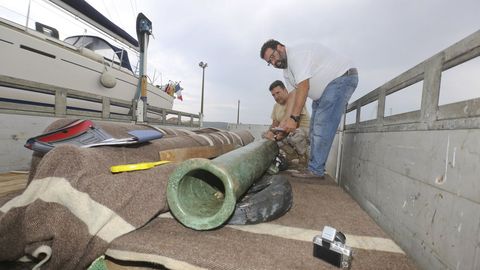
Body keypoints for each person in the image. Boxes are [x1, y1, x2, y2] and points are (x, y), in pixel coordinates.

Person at [260, 39, 358, 179]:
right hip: (324, 92)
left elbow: (304, 87)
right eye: (270, 62)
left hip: (342, 78)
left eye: (273, 57)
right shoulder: (287, 73)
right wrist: (284, 125)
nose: (274, 63)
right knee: (314, 131)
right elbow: (292, 98)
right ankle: (314, 168)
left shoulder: (296, 56)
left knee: (321, 127)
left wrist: (294, 119)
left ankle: (315, 170)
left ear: (280, 47)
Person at [263, 80, 310, 168]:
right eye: (273, 95)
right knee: (265, 135)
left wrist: (282, 134)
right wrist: (270, 133)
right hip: (286, 131)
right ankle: (292, 154)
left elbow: (296, 123)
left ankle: (303, 157)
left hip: (302, 131)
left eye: (278, 93)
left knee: (295, 135)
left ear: (285, 90)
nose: (276, 96)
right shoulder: (276, 106)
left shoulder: (296, 101)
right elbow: (274, 124)